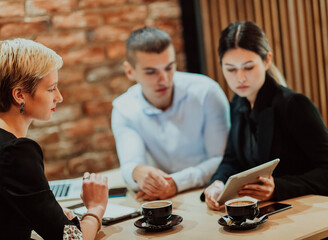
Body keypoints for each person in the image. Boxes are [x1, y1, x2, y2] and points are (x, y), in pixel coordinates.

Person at [0, 39, 108, 240]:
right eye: (51, 88)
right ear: (19, 95)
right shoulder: (15, 153)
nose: (58, 97)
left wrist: (53, 211)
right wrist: (95, 208)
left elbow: (4, 208)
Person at [202, 21, 328, 210]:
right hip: (263, 212)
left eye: (248, 67)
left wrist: (278, 187)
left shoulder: (294, 105)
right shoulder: (238, 102)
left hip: (304, 211)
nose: (240, 78)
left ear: (267, 60)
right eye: (231, 69)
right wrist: (219, 183)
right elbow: (232, 159)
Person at [111, 26, 230, 200]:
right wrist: (138, 173)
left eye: (169, 68)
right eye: (151, 72)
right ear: (130, 71)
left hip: (211, 191)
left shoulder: (207, 93)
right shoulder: (124, 108)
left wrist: (176, 183)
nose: (164, 80)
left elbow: (221, 159)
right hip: (162, 197)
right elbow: (130, 165)